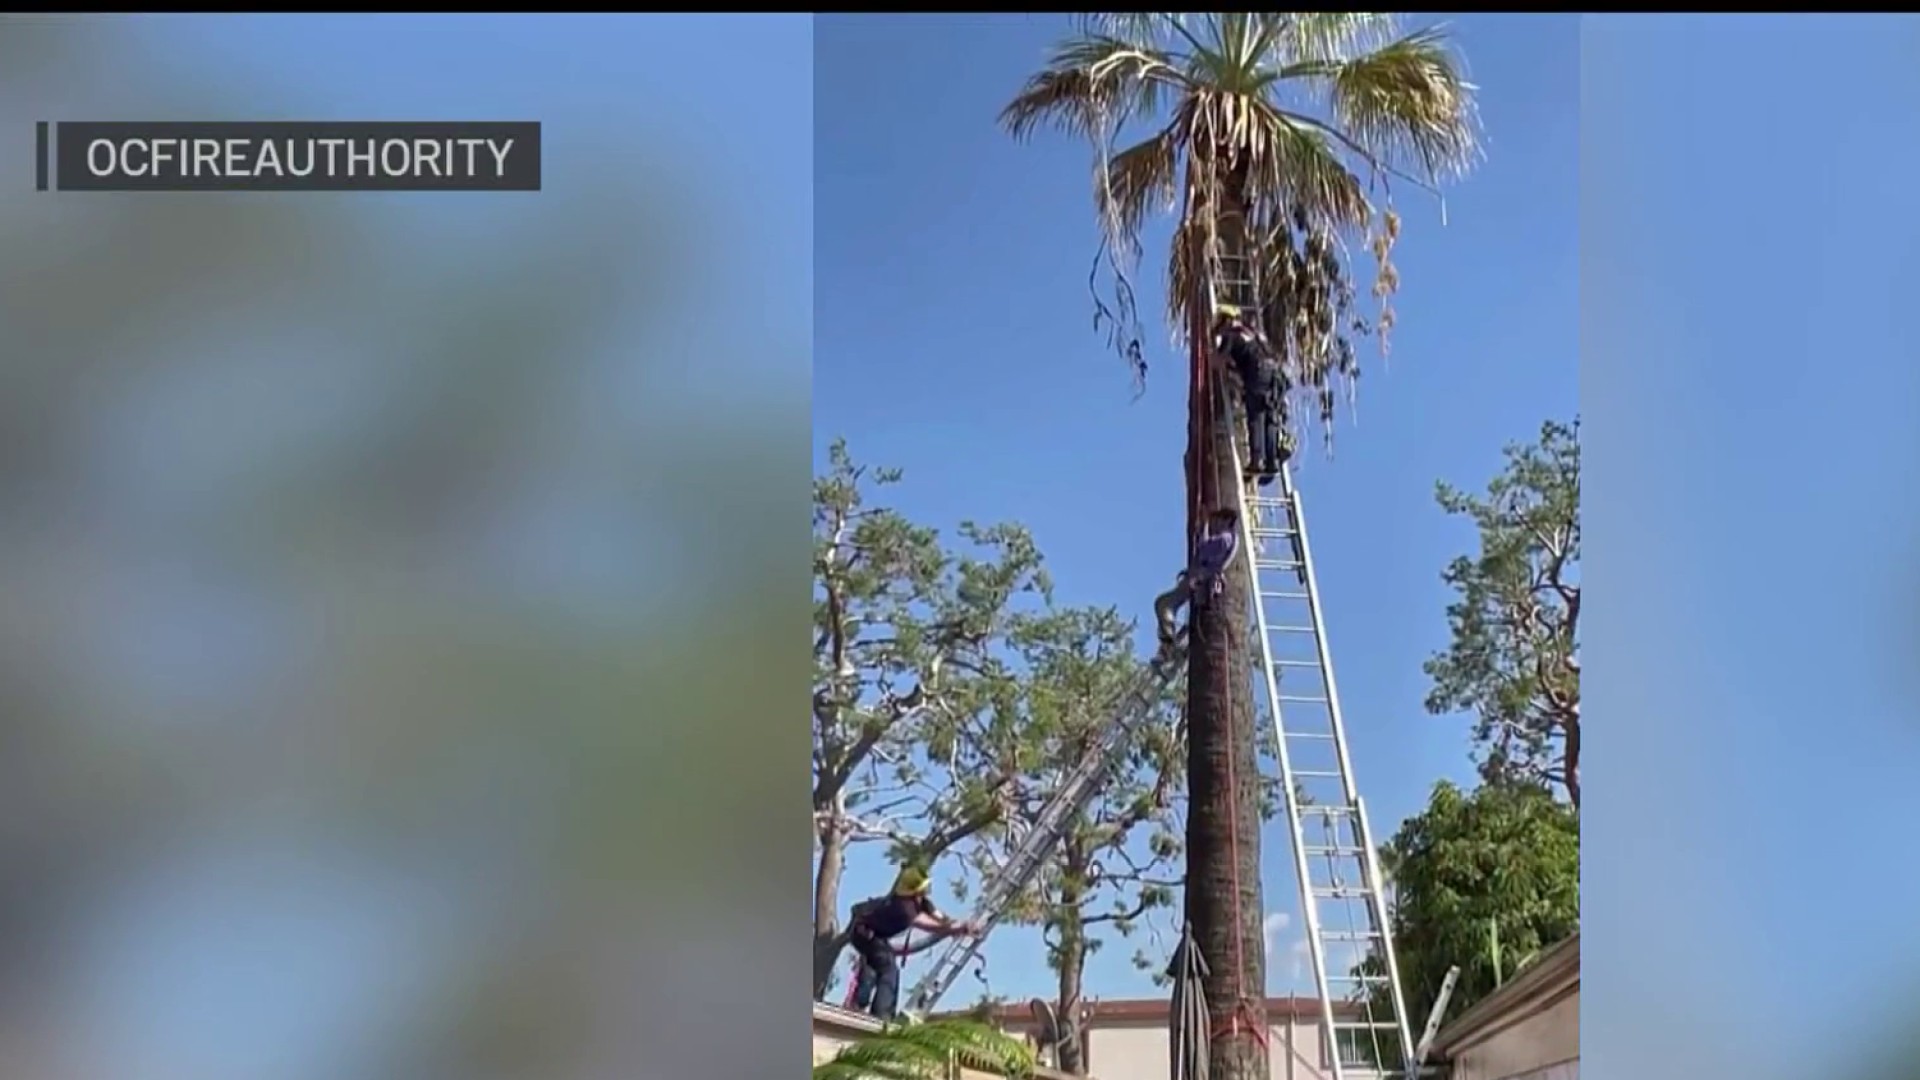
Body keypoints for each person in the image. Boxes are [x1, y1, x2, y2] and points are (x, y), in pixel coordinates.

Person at [844, 867, 979, 1020]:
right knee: (888, 968)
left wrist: (959, 926)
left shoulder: (922, 902)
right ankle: (881, 1015)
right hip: (863, 934)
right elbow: (932, 926)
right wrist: (958, 929)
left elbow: (941, 919)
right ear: (916, 891)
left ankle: (859, 1002)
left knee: (875, 966)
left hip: (876, 935)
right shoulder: (904, 909)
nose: (928, 890)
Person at [1212, 306, 1289, 483]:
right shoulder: (1252, 333)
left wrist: (1212, 353)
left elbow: (1218, 361)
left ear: (1226, 320)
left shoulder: (1230, 335)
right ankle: (1271, 461)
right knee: (1270, 417)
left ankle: (1256, 461)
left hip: (1258, 375)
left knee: (1256, 416)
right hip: (1274, 375)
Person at [1151, 508, 1241, 653]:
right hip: (1202, 578)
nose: (1214, 525)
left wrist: (1203, 528)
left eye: (1216, 520)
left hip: (1202, 580)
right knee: (1167, 606)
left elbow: (1203, 550)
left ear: (1226, 520)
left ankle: (1169, 640)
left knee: (1163, 604)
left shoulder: (1225, 539)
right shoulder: (1231, 540)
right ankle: (1172, 643)